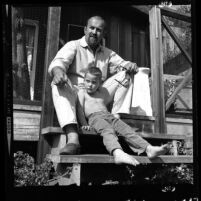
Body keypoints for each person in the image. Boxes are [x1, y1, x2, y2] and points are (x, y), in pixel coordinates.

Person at [48, 15, 138, 155]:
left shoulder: (108, 53)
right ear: (85, 29)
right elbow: (58, 63)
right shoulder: (73, 45)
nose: (94, 32)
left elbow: (122, 64)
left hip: (98, 98)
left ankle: (115, 118)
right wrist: (58, 71)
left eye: (99, 30)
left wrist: (129, 65)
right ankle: (72, 139)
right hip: (76, 96)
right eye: (92, 28)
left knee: (126, 74)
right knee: (57, 83)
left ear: (103, 34)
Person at [77, 67, 170, 166]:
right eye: (87, 81)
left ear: (99, 83)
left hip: (109, 116)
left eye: (94, 82)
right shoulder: (82, 93)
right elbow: (79, 109)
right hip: (95, 117)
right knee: (108, 130)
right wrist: (84, 124)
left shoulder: (101, 92)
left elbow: (113, 88)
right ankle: (118, 152)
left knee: (127, 130)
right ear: (84, 81)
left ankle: (148, 149)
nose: (90, 85)